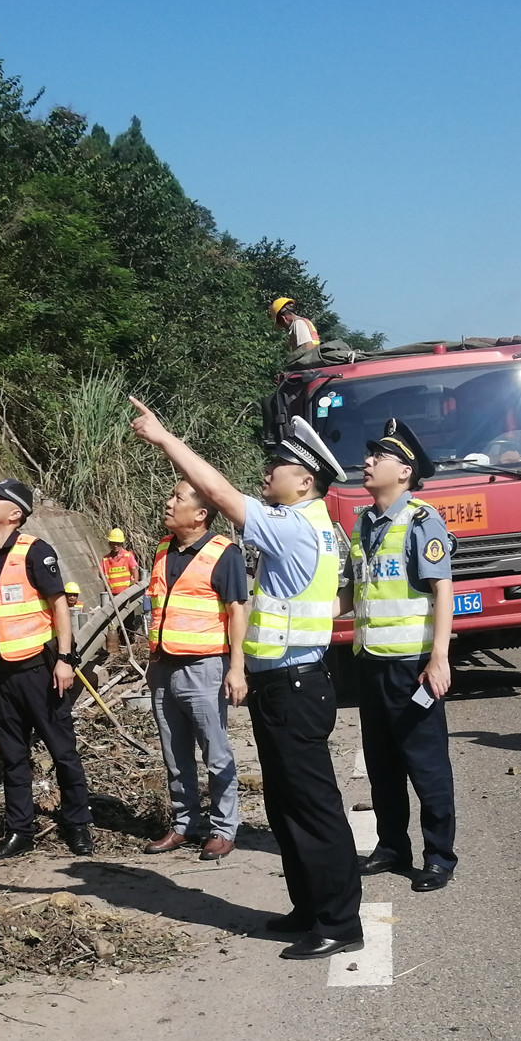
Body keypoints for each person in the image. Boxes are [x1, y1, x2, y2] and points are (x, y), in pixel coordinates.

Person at [130, 397, 362, 960]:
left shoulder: (295, 528)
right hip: (286, 682)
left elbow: (217, 494)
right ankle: (309, 908)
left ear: (303, 480)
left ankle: (339, 922)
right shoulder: (316, 525)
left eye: (276, 467)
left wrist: (165, 440)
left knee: (311, 805)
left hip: (295, 684)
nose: (265, 475)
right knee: (286, 804)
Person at [351, 418, 459, 891]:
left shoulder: (421, 521)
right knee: (382, 764)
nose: (368, 461)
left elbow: (443, 590)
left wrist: (439, 658)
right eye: (370, 454)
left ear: (405, 472)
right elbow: (359, 594)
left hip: (411, 668)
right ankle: (393, 845)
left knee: (427, 764)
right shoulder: (363, 522)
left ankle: (439, 857)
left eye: (379, 457)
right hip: (372, 662)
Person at [0, 478, 93, 860]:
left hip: (39, 671)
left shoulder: (35, 552)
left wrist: (66, 660)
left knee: (62, 751)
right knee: (13, 757)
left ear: (14, 513)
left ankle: (78, 824)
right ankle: (20, 831)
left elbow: (59, 606)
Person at [142, 480, 251, 862]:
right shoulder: (162, 549)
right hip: (163, 667)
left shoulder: (224, 554)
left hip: (204, 668)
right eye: (170, 495)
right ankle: (184, 823)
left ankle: (224, 828)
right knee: (174, 753)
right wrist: (152, 660)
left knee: (215, 753)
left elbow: (238, 610)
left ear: (201, 514)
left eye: (177, 498)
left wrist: (236, 668)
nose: (168, 502)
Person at [270, 297, 321, 366]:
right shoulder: (303, 322)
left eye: (281, 324)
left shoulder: (298, 323)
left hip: (312, 365)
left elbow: (308, 346)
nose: (283, 327)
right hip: (316, 362)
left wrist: (290, 360)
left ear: (283, 318)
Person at [101, 528, 142, 599]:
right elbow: (101, 574)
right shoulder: (105, 559)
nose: (115, 546)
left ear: (121, 543)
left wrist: (135, 582)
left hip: (127, 593)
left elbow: (135, 569)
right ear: (110, 544)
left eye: (118, 543)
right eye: (113, 543)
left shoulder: (128, 556)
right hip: (112, 595)